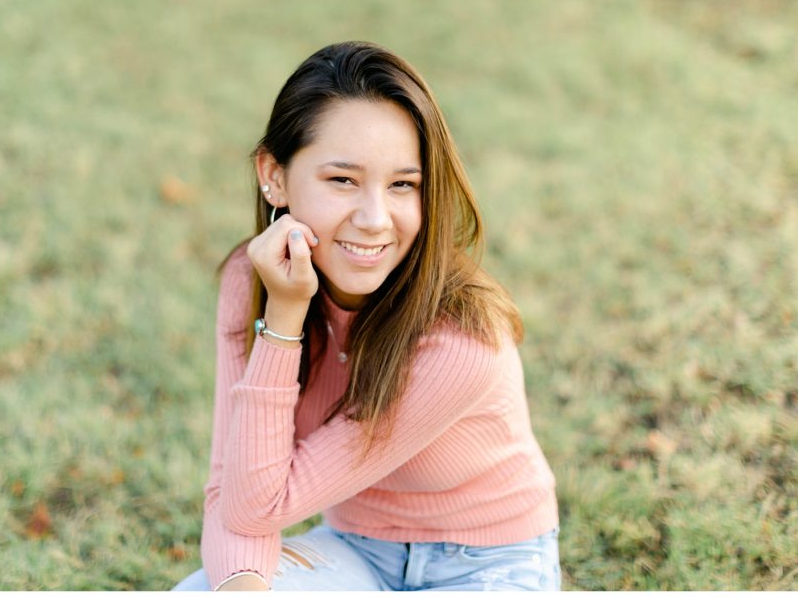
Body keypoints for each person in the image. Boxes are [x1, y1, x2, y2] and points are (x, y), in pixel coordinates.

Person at [172, 41, 560, 591]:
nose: (376, 219)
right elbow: (231, 492)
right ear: (274, 175)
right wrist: (240, 585)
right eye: (343, 180)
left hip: (488, 562)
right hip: (354, 551)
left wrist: (281, 320)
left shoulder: (463, 340)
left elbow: (264, 505)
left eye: (403, 184)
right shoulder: (251, 278)